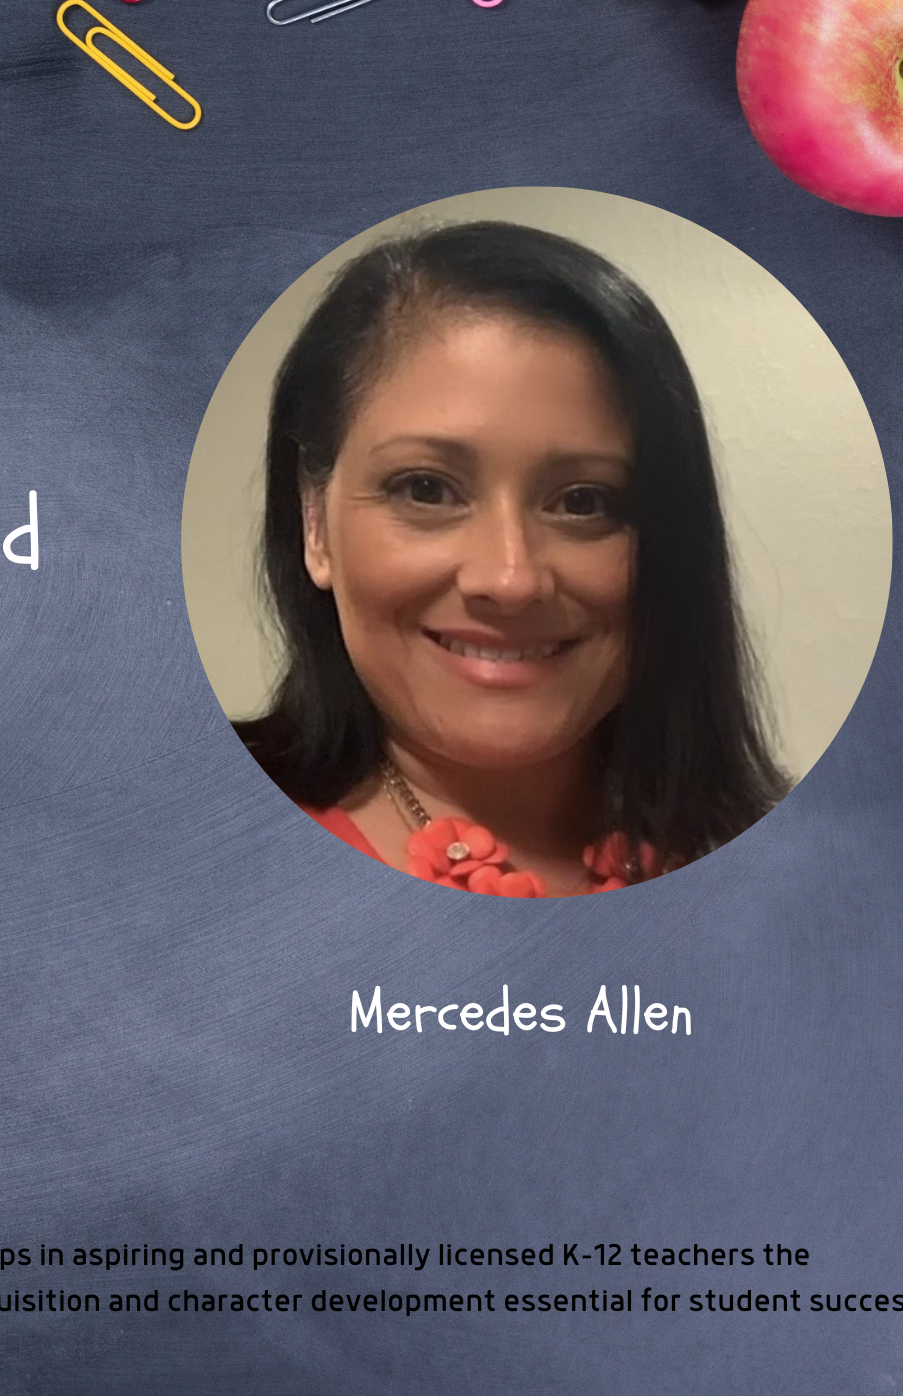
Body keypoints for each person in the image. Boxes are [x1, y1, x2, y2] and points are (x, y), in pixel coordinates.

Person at [235, 221, 787, 897]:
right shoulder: (175, 850)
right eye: (426, 489)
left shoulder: (793, 879)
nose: (510, 578)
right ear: (314, 523)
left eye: (584, 502)